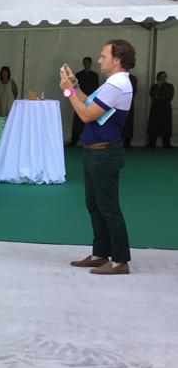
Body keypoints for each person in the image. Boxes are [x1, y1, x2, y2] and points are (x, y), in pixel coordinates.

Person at [59, 39, 135, 275]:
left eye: (104, 56)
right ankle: (100, 254)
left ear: (117, 59)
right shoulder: (112, 84)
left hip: (104, 153)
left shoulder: (117, 85)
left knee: (108, 207)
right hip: (97, 152)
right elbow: (87, 102)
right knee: (95, 205)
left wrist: (68, 91)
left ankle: (120, 260)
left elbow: (86, 114)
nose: (99, 60)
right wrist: (74, 85)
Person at [68, 57, 99, 146]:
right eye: (85, 62)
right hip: (79, 99)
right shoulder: (78, 75)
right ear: (83, 63)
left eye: (88, 62)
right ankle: (74, 141)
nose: (86, 64)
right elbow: (75, 87)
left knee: (90, 120)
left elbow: (96, 88)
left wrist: (93, 99)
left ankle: (92, 141)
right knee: (77, 121)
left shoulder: (94, 75)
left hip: (90, 100)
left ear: (91, 63)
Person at [147, 71, 174, 148]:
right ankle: (151, 144)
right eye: (161, 76)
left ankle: (167, 144)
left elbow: (169, 97)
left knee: (166, 126)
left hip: (166, 109)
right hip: (155, 109)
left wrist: (159, 97)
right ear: (158, 77)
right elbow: (152, 94)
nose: (163, 78)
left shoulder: (170, 86)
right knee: (153, 126)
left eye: (164, 76)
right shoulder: (154, 86)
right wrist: (159, 87)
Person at [122, 72, 138, 147]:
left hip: (128, 102)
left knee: (128, 122)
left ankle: (127, 141)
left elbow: (133, 91)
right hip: (117, 102)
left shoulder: (132, 78)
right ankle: (116, 141)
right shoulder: (115, 77)